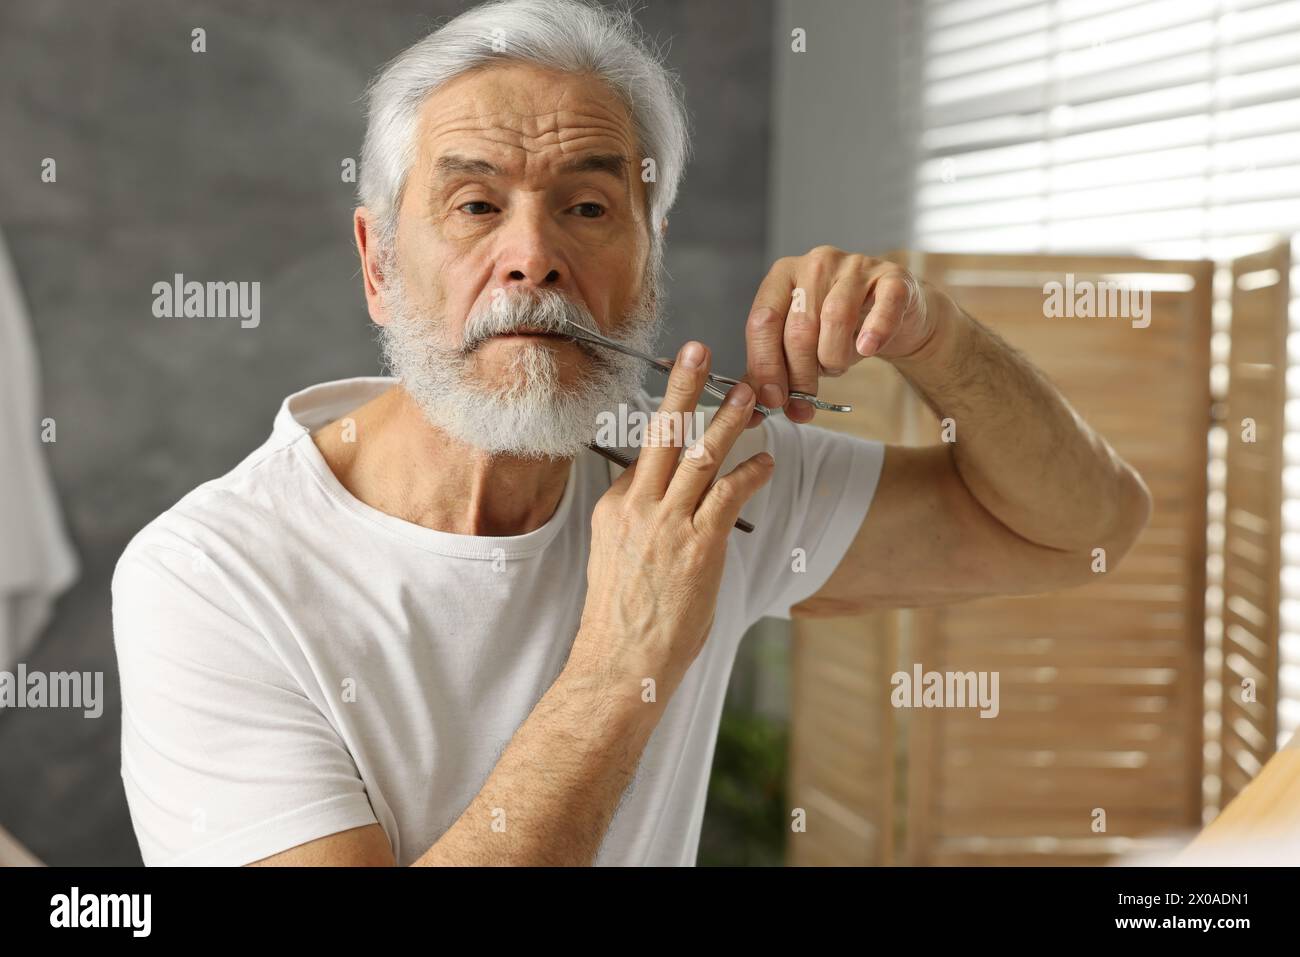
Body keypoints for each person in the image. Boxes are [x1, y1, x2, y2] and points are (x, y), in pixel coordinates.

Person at [111, 0, 1151, 866]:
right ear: (379, 262)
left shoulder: (704, 480)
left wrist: (933, 335)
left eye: (591, 208)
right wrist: (623, 660)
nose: (534, 257)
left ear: (650, 262)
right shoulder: (209, 578)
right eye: (475, 204)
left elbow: (1080, 530)